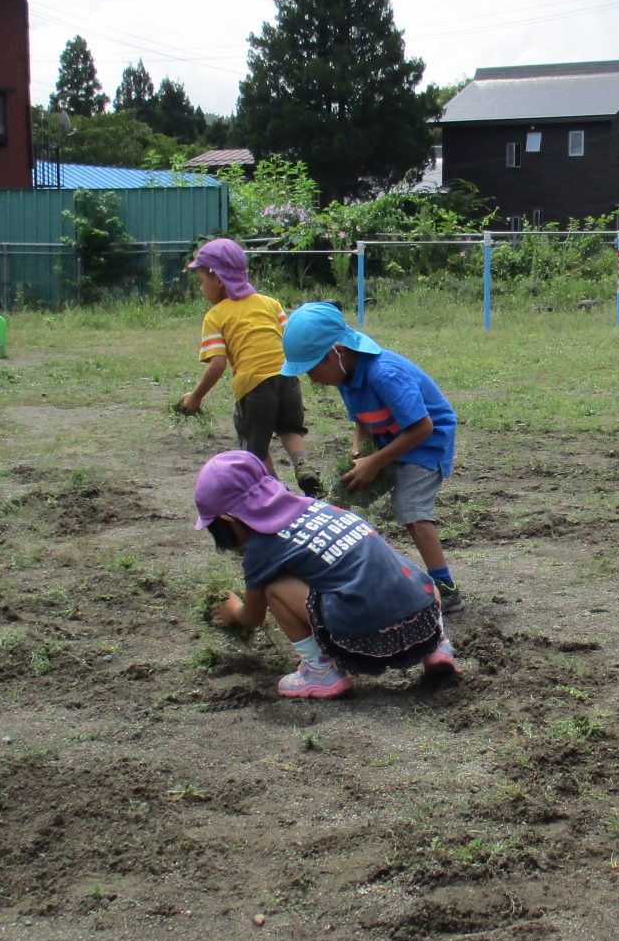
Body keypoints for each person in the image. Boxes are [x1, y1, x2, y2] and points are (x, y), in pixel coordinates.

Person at [196, 451, 458, 699]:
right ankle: (437, 647)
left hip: (367, 635)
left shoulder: (260, 549)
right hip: (423, 619)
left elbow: (253, 617)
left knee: (275, 589)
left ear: (227, 520)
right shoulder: (318, 507)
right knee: (404, 573)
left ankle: (320, 672)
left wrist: (233, 610)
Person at [279, 301, 463, 611]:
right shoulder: (346, 377)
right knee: (345, 494)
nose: (313, 379)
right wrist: (359, 451)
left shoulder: (384, 374)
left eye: (312, 369)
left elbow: (423, 427)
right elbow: (362, 420)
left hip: (427, 442)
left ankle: (445, 587)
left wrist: (375, 462)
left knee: (409, 507)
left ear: (337, 351)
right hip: (392, 437)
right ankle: (328, 575)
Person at [176, 237, 319, 494]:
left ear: (218, 280)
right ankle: (303, 465)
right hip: (288, 378)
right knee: (290, 428)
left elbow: (218, 364)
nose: (201, 288)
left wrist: (195, 397)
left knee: (256, 447)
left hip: (254, 388)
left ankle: (277, 491)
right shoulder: (270, 303)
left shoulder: (215, 315)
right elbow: (291, 339)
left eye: (201, 281)